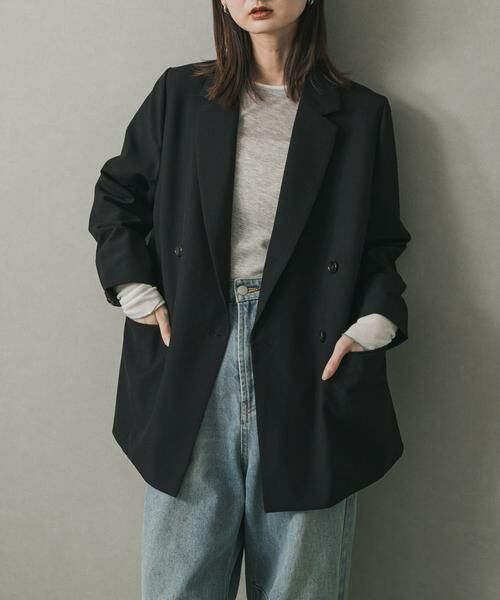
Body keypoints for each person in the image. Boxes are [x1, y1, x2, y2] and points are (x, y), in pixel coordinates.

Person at [88, 1, 412, 598]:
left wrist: (375, 320)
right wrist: (136, 290)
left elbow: (379, 242)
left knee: (301, 587)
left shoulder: (361, 113)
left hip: (311, 357)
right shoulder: (180, 96)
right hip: (192, 353)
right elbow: (116, 198)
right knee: (179, 584)